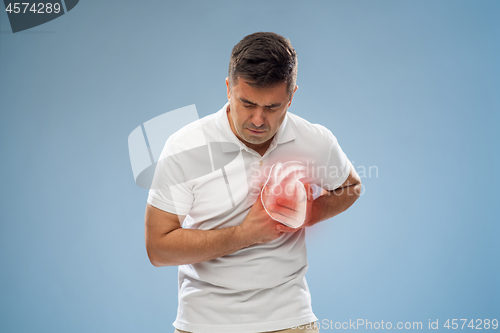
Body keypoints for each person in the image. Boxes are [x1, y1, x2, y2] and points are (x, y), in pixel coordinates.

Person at [145, 32, 362, 333]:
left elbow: (351, 187)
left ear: (291, 96)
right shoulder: (185, 146)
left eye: (272, 107)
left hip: (291, 321)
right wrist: (247, 234)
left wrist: (303, 213)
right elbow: (158, 248)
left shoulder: (314, 140)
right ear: (228, 89)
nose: (258, 119)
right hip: (203, 324)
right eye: (246, 103)